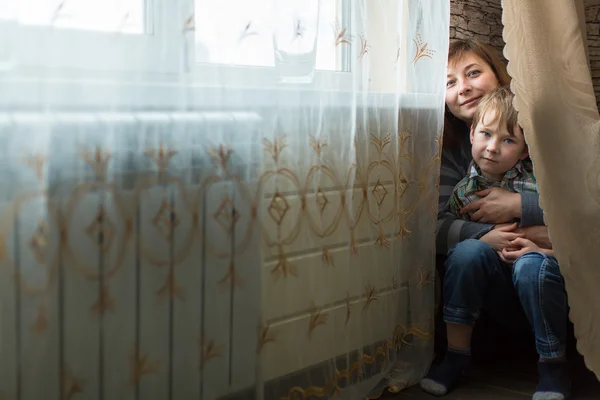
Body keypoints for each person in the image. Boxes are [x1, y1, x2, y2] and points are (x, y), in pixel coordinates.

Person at [422, 39, 570, 400]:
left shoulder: (540, 133)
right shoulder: (447, 153)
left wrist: (521, 206)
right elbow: (434, 227)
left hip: (546, 271)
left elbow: (580, 205)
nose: (464, 87)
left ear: (498, 74)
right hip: (490, 276)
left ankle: (554, 366)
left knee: (533, 265)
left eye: (473, 73)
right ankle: (456, 357)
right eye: (449, 82)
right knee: (468, 253)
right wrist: (490, 234)